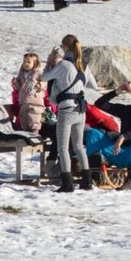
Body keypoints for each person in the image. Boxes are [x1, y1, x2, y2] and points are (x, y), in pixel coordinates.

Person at [40, 34, 94, 192]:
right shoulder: (84, 64)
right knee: (79, 146)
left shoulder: (63, 65)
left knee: (63, 147)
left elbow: (44, 77)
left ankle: (67, 183)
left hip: (66, 110)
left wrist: (50, 62)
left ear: (65, 47)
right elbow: (94, 85)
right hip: (80, 110)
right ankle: (87, 181)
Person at [84, 80, 131, 189]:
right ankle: (95, 175)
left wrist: (123, 136)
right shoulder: (128, 110)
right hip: (121, 152)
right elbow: (99, 104)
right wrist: (118, 91)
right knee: (93, 133)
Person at [11, 52, 47, 134]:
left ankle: (35, 133)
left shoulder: (38, 72)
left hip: (35, 102)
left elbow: (45, 82)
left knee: (34, 119)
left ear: (35, 63)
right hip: (24, 102)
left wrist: (40, 84)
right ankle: (26, 134)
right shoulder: (21, 74)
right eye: (24, 62)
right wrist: (15, 83)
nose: (26, 64)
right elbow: (19, 87)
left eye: (28, 62)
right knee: (24, 119)